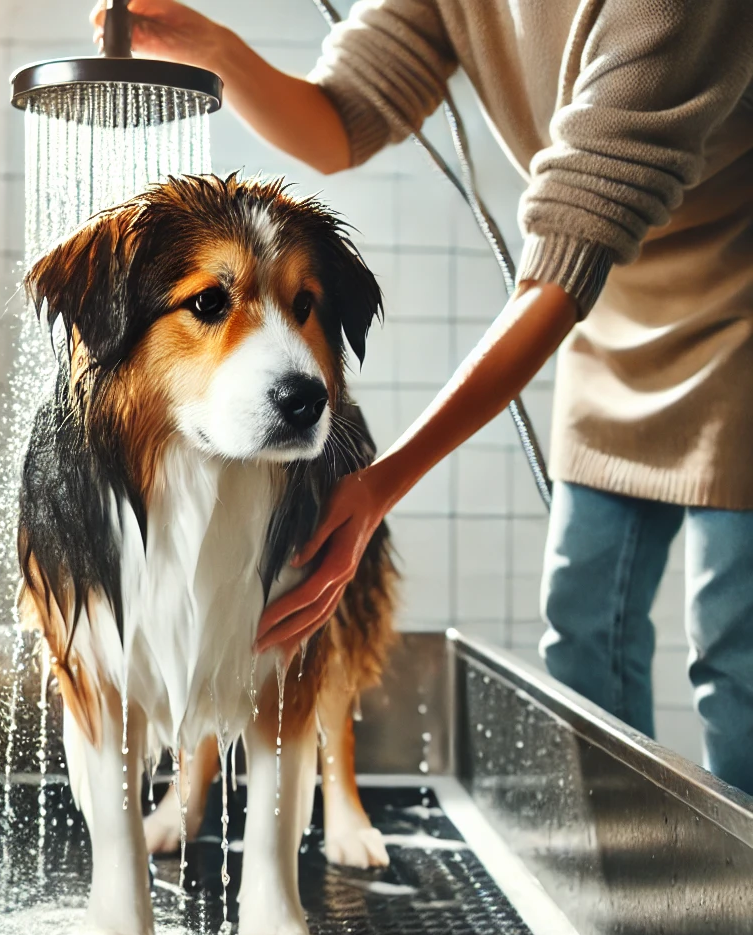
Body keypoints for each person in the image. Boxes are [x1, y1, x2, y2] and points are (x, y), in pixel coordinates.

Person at [91, 0, 753, 795]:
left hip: (735, 308)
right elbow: (336, 126)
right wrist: (214, 49)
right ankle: (623, 894)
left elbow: (575, 240)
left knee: (735, 655)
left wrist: (377, 486)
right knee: (584, 638)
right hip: (606, 317)